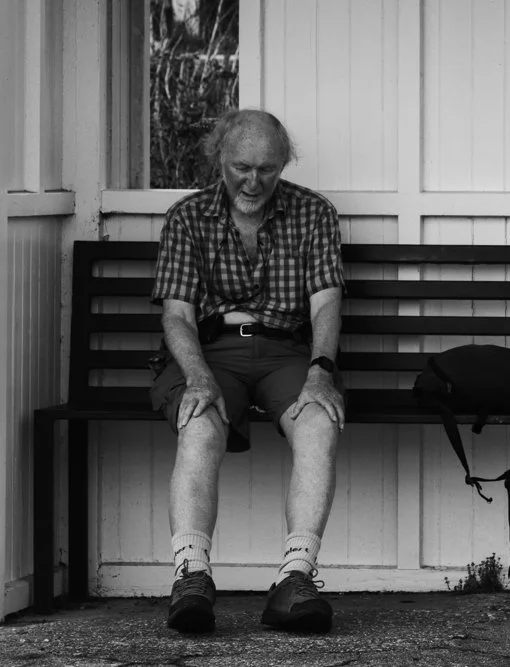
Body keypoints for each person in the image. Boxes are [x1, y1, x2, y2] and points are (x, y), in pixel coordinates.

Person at [149, 109, 345, 634]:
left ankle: (295, 579)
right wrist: (197, 374)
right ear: (219, 158)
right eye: (241, 167)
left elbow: (326, 304)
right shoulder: (188, 217)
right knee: (199, 423)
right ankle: (192, 577)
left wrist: (321, 370)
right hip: (207, 351)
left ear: (283, 165)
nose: (253, 181)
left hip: (285, 351)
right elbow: (177, 315)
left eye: (267, 169)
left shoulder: (314, 213)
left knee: (320, 422)